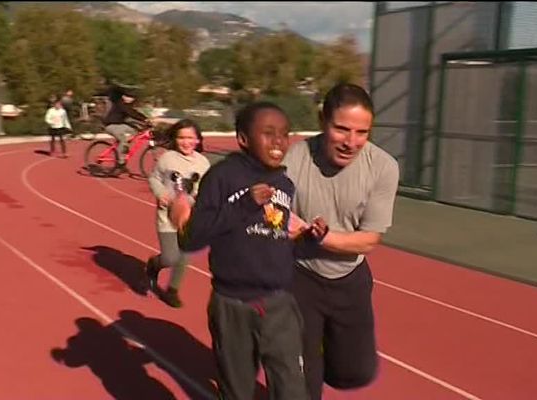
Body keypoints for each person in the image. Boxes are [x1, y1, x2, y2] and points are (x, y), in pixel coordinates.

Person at [170, 102, 309, 400]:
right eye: (268, 133)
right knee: (237, 391)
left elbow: (274, 237)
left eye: (285, 134)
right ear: (243, 139)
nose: (279, 142)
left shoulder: (285, 184)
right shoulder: (221, 178)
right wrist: (244, 204)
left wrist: (304, 238)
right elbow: (191, 239)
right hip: (232, 304)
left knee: (292, 390)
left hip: (278, 303)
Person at [282, 83, 400, 400]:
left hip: (349, 280)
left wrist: (322, 236)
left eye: (362, 132)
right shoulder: (294, 159)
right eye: (342, 129)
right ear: (323, 122)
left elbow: (368, 240)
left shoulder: (384, 167)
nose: (351, 142)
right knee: (302, 379)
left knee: (355, 373)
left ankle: (323, 354)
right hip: (300, 277)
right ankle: (309, 363)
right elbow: (273, 215)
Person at [145, 119, 211, 308]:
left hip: (189, 217)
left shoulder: (203, 163)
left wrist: (200, 199)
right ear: (175, 138)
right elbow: (154, 178)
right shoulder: (167, 158)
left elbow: (204, 188)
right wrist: (161, 194)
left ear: (198, 140)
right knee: (170, 257)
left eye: (191, 138)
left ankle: (172, 290)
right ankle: (154, 265)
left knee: (185, 254)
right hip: (167, 217)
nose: (186, 142)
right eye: (181, 137)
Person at [102, 86, 150, 173]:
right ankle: (120, 163)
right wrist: (144, 119)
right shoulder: (120, 104)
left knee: (136, 130)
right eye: (128, 97)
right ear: (123, 97)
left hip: (120, 125)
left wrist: (146, 120)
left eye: (132, 98)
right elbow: (130, 113)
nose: (130, 99)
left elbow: (134, 112)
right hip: (111, 125)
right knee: (122, 139)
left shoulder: (127, 106)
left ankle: (124, 145)